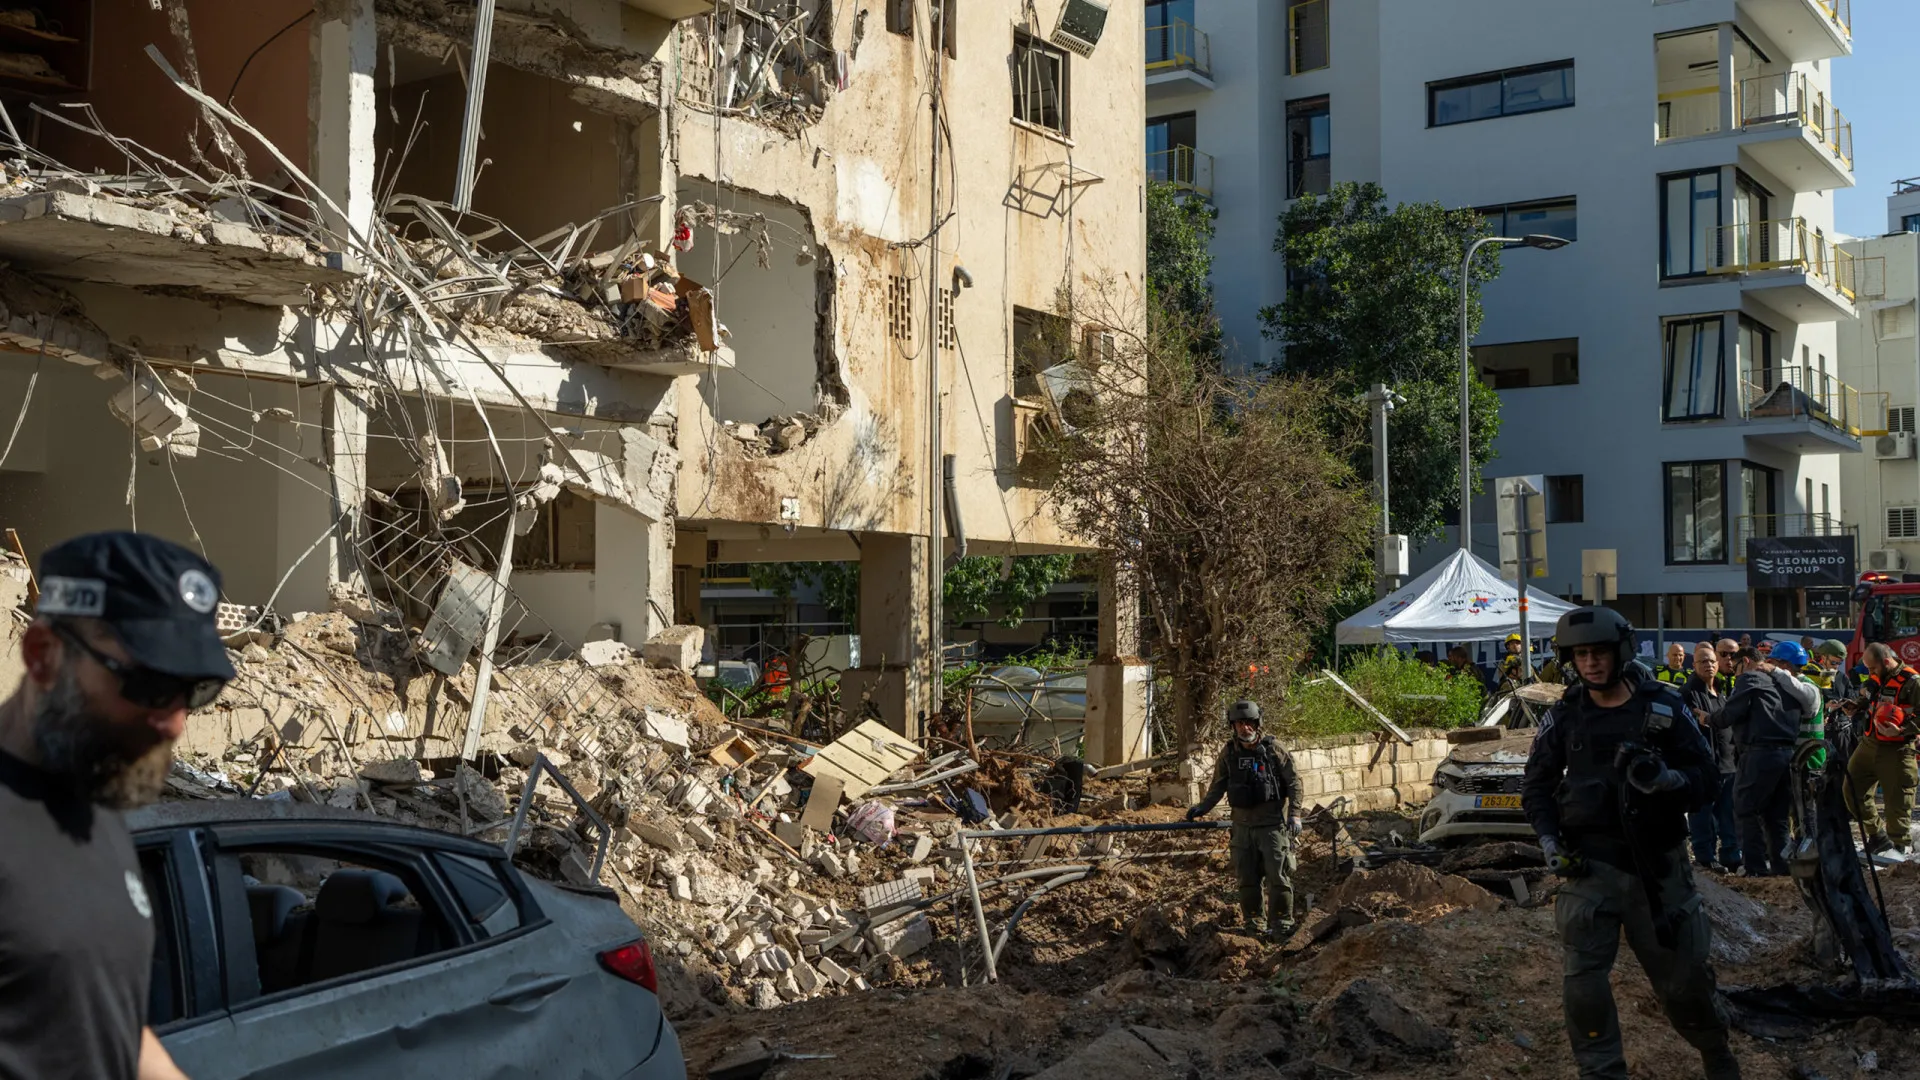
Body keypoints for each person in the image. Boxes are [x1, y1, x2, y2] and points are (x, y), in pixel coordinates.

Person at [0, 532, 233, 1080]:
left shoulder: (95, 796)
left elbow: (101, 1020)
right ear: (43, 656)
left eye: (195, 691)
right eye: (149, 685)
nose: (175, 723)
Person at [1521, 607, 1738, 1080]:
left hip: (1658, 870)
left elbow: (1707, 776)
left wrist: (1669, 781)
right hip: (1588, 868)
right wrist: (1549, 840)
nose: (1591, 663)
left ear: (1620, 652)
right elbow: (1535, 786)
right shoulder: (1565, 715)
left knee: (1684, 986)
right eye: (1581, 654)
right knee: (1583, 985)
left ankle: (1715, 1052)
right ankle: (1601, 1072)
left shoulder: (1663, 707)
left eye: (1599, 652)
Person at [1187, 700, 1303, 939]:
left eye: (1249, 723)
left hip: (1272, 827)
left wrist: (1295, 814)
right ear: (1233, 726)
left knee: (1278, 877)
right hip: (1242, 829)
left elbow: (1294, 782)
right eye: (1239, 723)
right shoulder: (1229, 753)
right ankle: (1254, 924)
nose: (1244, 728)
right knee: (1247, 879)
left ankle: (1282, 924)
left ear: (1257, 724)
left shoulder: (1274, 749)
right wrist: (1202, 809)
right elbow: (1217, 786)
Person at [1718, 647, 1802, 876]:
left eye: (1736, 669)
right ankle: (1782, 867)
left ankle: (1754, 869)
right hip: (1786, 755)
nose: (1735, 675)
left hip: (1759, 754)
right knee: (1777, 816)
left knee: (1746, 809)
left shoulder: (1750, 679)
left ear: (1745, 661)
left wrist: (1709, 718)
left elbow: (1728, 715)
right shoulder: (1785, 683)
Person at [1845, 641, 1920, 857]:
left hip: (1897, 749)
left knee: (1898, 801)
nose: (1870, 673)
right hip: (1869, 744)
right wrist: (1856, 706)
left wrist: (1902, 730)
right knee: (1851, 789)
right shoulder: (1876, 677)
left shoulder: (1913, 682)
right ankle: (1877, 837)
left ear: (1886, 662)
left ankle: (1898, 849)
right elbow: (1870, 698)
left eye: (1873, 668)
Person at [1682, 643, 1740, 873]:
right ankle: (1705, 857)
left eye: (1712, 661)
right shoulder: (1688, 694)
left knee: (1728, 815)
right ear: (1694, 664)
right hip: (1703, 767)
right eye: (1703, 661)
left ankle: (1731, 856)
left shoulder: (1721, 692)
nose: (1709, 665)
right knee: (1703, 815)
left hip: (1727, 764)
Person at [1765, 641, 1825, 773]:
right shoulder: (1785, 686)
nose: (1769, 665)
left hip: (1809, 763)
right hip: (1793, 763)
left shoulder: (1809, 687)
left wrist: (1775, 671)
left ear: (1784, 665)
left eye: (1772, 662)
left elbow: (1799, 690)